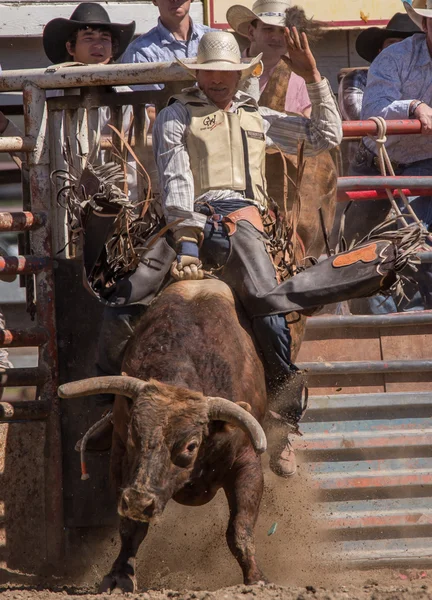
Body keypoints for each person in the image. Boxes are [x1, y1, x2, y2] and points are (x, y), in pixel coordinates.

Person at [152, 30, 342, 476]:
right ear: (197, 72)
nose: (218, 80)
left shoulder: (259, 117)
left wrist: (313, 76)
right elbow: (176, 182)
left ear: (240, 74)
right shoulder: (177, 116)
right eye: (210, 71)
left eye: (227, 72)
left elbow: (326, 135)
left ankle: (283, 420)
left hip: (245, 222)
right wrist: (187, 238)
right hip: (192, 219)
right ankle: (116, 411)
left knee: (270, 307)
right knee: (125, 297)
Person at [351, 0, 432, 310]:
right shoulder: (395, 57)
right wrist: (412, 107)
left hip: (423, 164)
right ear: (425, 25)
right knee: (369, 253)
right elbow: (372, 115)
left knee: (405, 245)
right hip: (379, 164)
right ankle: (380, 326)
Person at [227, 0, 317, 116]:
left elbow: (310, 122)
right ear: (251, 32)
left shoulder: (301, 76)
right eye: (268, 29)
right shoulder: (228, 70)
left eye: (282, 31)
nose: (276, 37)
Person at [339, 13, 421, 122]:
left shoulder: (426, 77)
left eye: (404, 44)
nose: (397, 50)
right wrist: (414, 108)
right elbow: (359, 117)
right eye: (392, 43)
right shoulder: (358, 79)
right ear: (380, 51)